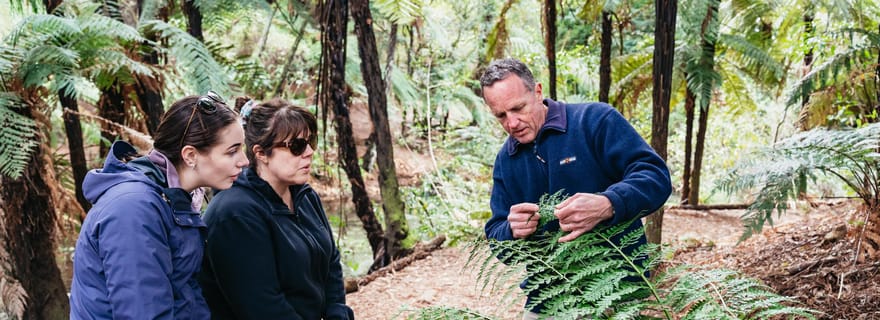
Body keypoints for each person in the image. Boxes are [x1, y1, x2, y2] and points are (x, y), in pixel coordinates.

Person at [481, 58, 672, 319]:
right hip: (548, 297)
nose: (512, 123)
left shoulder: (594, 120)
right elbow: (497, 235)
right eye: (501, 116)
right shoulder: (506, 160)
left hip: (617, 285)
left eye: (518, 108)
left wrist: (609, 204)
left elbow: (655, 176)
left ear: (537, 92)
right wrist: (511, 231)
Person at [69, 92, 250, 319]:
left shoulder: (175, 199)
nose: (244, 161)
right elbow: (142, 312)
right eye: (232, 151)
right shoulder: (133, 209)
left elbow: (186, 296)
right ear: (190, 155)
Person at [198, 98, 354, 320]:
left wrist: (337, 312)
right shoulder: (235, 214)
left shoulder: (304, 196)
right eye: (297, 146)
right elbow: (262, 304)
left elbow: (331, 262)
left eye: (311, 142)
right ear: (261, 153)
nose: (309, 152)